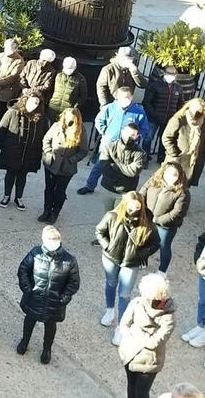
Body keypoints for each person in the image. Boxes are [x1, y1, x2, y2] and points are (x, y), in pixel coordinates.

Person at [98, 191, 161, 343]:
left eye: (137, 206)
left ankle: (121, 327)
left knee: (125, 294)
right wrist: (108, 247)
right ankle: (109, 310)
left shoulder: (147, 223)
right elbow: (100, 231)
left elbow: (155, 243)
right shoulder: (112, 216)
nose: (133, 210)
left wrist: (140, 255)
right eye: (130, 206)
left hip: (131, 263)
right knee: (111, 283)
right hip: (111, 258)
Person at [16, 225, 81, 364]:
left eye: (55, 238)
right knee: (29, 320)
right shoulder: (35, 253)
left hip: (54, 302)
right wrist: (27, 289)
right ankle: (24, 341)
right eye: (50, 238)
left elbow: (73, 283)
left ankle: (47, 349)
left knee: (50, 326)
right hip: (34, 297)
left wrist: (64, 298)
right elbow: (23, 270)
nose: (53, 241)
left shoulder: (69, 261)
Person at [118, 273, 176, 398]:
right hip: (130, 354)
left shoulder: (168, 317)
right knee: (131, 387)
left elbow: (155, 342)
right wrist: (133, 336)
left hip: (148, 361)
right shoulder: (137, 303)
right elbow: (123, 324)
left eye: (163, 299)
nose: (161, 302)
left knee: (141, 393)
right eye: (157, 299)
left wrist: (134, 335)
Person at [0, 89, 50, 210]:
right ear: (26, 100)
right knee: (10, 174)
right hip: (12, 150)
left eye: (37, 103)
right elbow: (2, 129)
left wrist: (41, 150)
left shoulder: (41, 117)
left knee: (22, 176)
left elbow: (45, 134)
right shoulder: (13, 112)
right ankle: (6, 196)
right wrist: (3, 147)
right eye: (32, 102)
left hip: (30, 152)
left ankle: (18, 197)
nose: (34, 105)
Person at [39, 108, 89, 223]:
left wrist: (71, 160)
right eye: (67, 116)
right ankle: (46, 210)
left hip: (67, 168)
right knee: (49, 188)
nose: (69, 120)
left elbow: (83, 150)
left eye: (72, 118)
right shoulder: (56, 126)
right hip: (51, 163)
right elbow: (46, 139)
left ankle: (55, 213)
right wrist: (48, 151)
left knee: (60, 191)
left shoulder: (81, 130)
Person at [139, 163, 189, 276]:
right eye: (168, 173)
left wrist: (157, 219)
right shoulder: (154, 180)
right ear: (163, 172)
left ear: (180, 176)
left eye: (175, 175)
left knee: (164, 246)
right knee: (144, 240)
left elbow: (177, 213)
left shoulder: (183, 192)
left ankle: (162, 271)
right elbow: (143, 191)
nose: (171, 177)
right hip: (148, 219)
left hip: (166, 226)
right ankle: (142, 260)